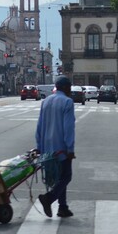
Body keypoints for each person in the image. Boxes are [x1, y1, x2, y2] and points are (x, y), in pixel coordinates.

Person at [35, 75, 75, 218]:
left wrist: (39, 146)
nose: (71, 90)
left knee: (59, 178)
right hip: (61, 148)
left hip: (47, 148)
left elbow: (39, 125)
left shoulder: (46, 101)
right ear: (64, 87)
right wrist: (70, 149)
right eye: (69, 87)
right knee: (66, 176)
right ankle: (49, 198)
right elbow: (68, 128)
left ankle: (62, 207)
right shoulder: (67, 102)